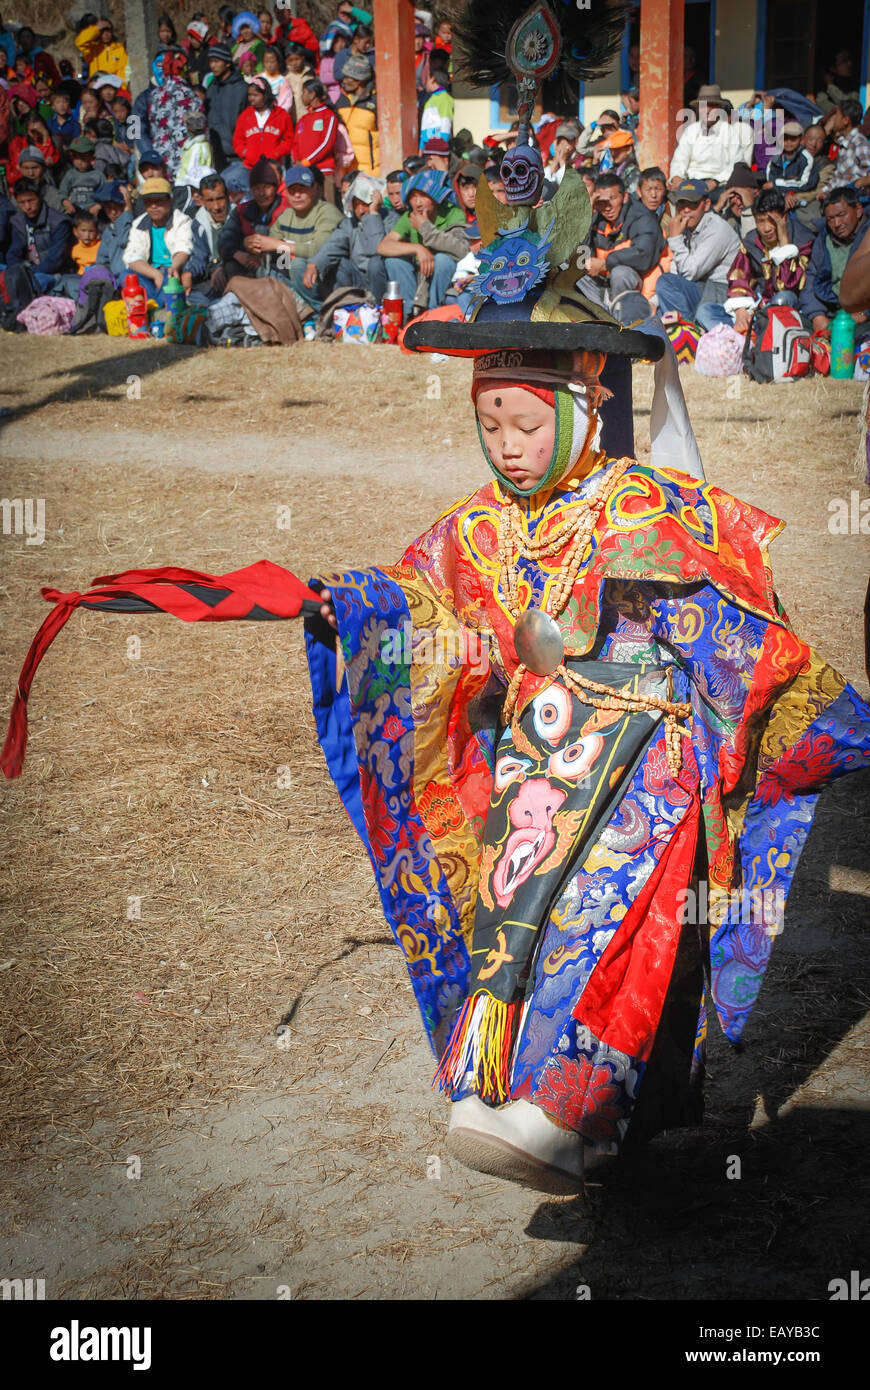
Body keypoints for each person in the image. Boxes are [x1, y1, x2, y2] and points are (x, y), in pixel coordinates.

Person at [713, 187, 812, 336]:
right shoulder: (752, 241)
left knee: (783, 299)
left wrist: (784, 242)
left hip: (791, 308)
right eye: (760, 221)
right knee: (706, 310)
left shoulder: (803, 239)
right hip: (757, 307)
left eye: (772, 221)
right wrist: (740, 310)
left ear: (783, 217)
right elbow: (739, 278)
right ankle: (749, 333)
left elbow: (788, 286)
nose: (766, 228)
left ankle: (756, 335)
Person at [248, 163, 342, 318]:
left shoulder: (327, 212)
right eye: (292, 191)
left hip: (327, 275)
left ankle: (323, 312)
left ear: (314, 189)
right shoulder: (286, 216)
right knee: (268, 268)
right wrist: (253, 245)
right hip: (295, 275)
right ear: (286, 192)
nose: (297, 195)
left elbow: (319, 249)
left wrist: (278, 244)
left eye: (302, 189)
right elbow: (274, 248)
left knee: (297, 265)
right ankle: (301, 309)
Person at [376, 167, 468, 320]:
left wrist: (425, 228)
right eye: (413, 197)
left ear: (435, 197)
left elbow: (461, 250)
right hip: (419, 274)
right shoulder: (410, 216)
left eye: (423, 196)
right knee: (393, 262)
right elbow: (383, 246)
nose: (418, 203)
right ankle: (410, 314)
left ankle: (433, 314)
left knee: (442, 260)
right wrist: (418, 248)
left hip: (445, 277)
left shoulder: (453, 214)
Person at [654, 179, 741, 327]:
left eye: (693, 204)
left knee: (699, 311)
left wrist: (675, 238)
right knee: (664, 289)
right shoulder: (686, 227)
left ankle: (687, 331)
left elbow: (690, 273)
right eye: (681, 204)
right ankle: (681, 329)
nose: (686, 210)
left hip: (723, 291)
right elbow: (676, 273)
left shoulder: (717, 229)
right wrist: (654, 302)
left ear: (706, 205)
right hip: (701, 286)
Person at [580, 171, 663, 323]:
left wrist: (605, 263)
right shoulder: (596, 216)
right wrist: (587, 214)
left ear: (624, 197)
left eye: (613, 198)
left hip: (636, 282)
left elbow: (644, 254)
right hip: (602, 283)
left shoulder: (641, 216)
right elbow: (579, 252)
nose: (608, 207)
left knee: (620, 273)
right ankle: (600, 319)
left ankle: (623, 321)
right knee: (575, 273)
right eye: (602, 201)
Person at [302, 172, 392, 309]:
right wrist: (314, 264)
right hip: (359, 278)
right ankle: (343, 308)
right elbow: (334, 243)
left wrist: (373, 214)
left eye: (365, 204)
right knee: (338, 263)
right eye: (356, 205)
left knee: (375, 263)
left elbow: (376, 248)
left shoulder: (389, 219)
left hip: (382, 281)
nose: (361, 210)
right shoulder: (349, 223)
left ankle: (377, 309)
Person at [800, 184, 870, 337]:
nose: (837, 224)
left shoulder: (867, 236)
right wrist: (817, 315)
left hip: (861, 313)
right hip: (831, 311)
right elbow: (811, 278)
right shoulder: (824, 239)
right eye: (831, 219)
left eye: (842, 215)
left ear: (858, 210)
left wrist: (864, 313)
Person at [123, 175, 194, 302]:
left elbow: (183, 249)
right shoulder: (139, 223)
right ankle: (157, 303)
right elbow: (132, 256)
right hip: (150, 271)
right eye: (149, 201)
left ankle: (156, 305)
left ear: (170, 201)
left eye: (159, 201)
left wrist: (173, 267)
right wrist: (155, 274)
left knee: (170, 278)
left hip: (173, 269)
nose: (153, 206)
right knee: (126, 275)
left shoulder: (182, 221)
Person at [668, 85, 753, 192]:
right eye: (703, 106)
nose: (707, 110)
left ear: (719, 108)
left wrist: (716, 181)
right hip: (691, 183)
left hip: (720, 185)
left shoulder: (729, 132)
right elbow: (679, 160)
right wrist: (676, 177)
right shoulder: (691, 131)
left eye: (712, 106)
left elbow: (737, 165)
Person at [217, 156, 288, 280]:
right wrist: (239, 252)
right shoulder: (242, 210)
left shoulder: (287, 208)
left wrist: (263, 258)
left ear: (276, 187)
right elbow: (225, 238)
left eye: (266, 187)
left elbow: (290, 246)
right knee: (231, 266)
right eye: (256, 188)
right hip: (252, 262)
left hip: (281, 263)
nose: (261, 193)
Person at [6, 177, 72, 291]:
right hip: (26, 269)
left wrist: (28, 274)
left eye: (31, 200)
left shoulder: (59, 222)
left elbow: (55, 260)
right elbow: (14, 254)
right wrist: (17, 273)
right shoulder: (17, 221)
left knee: (36, 283)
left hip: (52, 273)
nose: (27, 207)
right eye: (22, 202)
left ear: (40, 197)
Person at [292, 79, 340, 205]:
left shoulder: (328, 115)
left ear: (312, 94)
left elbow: (327, 143)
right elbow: (295, 144)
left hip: (323, 171)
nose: (301, 96)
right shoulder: (303, 119)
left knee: (328, 208)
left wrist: (307, 161)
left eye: (303, 92)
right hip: (304, 172)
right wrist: (297, 161)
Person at [232, 74, 294, 170]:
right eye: (249, 95)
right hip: (250, 168)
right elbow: (237, 141)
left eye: (255, 95)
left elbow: (289, 140)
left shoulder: (281, 115)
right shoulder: (244, 116)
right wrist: (246, 153)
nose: (251, 98)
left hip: (274, 168)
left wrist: (276, 153)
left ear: (265, 95)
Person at [205, 44, 249, 171]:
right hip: (214, 154)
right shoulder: (211, 88)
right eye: (211, 62)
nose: (213, 66)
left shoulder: (242, 89)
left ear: (227, 63)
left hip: (236, 156)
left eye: (216, 61)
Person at [189, 172, 231, 297]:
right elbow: (199, 256)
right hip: (210, 274)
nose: (216, 206)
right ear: (202, 201)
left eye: (220, 199)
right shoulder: (199, 223)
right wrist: (188, 273)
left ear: (228, 197)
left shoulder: (238, 217)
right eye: (210, 201)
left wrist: (222, 267)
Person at [336, 55, 379, 176]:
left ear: (359, 80)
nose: (344, 81)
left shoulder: (376, 101)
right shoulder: (341, 102)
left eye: (347, 77)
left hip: (371, 172)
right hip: (346, 174)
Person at [825, 99, 870, 190]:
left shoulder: (859, 142)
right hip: (838, 193)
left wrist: (855, 185)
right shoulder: (843, 143)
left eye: (836, 116)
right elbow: (839, 175)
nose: (834, 120)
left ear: (846, 120)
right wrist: (825, 191)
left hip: (851, 194)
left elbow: (868, 174)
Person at [94, 180, 133, 283]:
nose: (113, 212)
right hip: (113, 280)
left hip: (132, 278)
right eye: (108, 208)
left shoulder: (135, 225)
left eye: (118, 207)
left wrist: (127, 213)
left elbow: (124, 240)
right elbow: (102, 260)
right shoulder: (108, 231)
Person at [58, 136, 102, 216]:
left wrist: (98, 206)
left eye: (83, 158)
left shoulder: (98, 175)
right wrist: (65, 202)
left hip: (92, 213)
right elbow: (62, 192)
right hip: (74, 212)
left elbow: (105, 194)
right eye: (75, 158)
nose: (79, 162)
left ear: (92, 157)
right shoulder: (70, 174)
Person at [420, 63, 454, 149]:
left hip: (437, 148)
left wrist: (440, 149)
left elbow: (445, 125)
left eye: (427, 79)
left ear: (433, 79)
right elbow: (425, 126)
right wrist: (421, 147)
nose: (425, 83)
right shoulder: (430, 99)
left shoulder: (445, 99)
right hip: (428, 146)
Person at [544, 120, 580, 186]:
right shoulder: (550, 160)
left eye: (567, 140)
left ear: (575, 142)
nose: (562, 144)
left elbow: (570, 184)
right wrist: (555, 161)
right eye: (559, 140)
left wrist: (562, 161)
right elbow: (543, 182)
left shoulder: (581, 160)